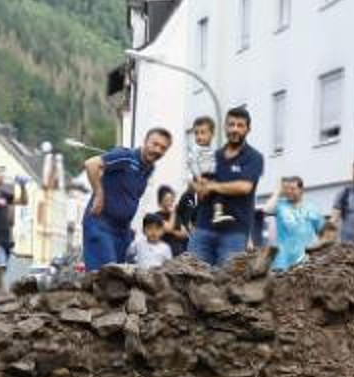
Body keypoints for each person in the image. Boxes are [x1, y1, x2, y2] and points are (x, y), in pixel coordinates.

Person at [82, 128, 173, 270]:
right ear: (145, 141)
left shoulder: (148, 169)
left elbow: (130, 196)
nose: (157, 150)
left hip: (122, 231)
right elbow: (91, 164)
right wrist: (99, 194)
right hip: (101, 224)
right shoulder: (126, 156)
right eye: (155, 144)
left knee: (119, 279)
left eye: (163, 148)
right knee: (106, 274)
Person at [188, 106, 264, 267]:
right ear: (225, 127)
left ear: (248, 129)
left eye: (240, 125)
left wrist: (213, 186)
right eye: (231, 124)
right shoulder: (212, 156)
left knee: (227, 283)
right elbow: (201, 193)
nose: (234, 129)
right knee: (191, 278)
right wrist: (197, 186)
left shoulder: (254, 157)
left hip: (234, 233)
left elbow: (244, 187)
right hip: (203, 228)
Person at [263, 176, 325, 272]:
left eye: (292, 189)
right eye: (287, 189)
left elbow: (323, 232)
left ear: (301, 190)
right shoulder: (280, 205)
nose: (289, 192)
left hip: (307, 261)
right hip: (283, 261)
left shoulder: (312, 208)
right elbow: (266, 209)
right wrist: (278, 191)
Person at [154, 185, 189, 256]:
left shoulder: (176, 216)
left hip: (180, 253)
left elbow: (185, 234)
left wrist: (172, 232)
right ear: (160, 201)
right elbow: (169, 228)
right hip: (165, 254)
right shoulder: (156, 216)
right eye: (167, 200)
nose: (170, 203)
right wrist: (173, 213)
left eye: (171, 200)